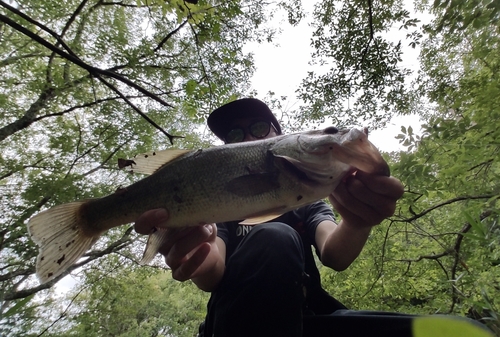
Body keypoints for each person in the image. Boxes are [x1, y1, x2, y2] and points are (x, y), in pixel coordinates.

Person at [134, 98, 492, 337]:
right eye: (234, 135)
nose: (246, 137)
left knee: (461, 331)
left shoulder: (307, 199)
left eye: (258, 128)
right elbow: (212, 272)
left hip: (311, 320)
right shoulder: (220, 210)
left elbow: (335, 254)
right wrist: (188, 252)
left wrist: (358, 219)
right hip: (235, 322)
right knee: (273, 238)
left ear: (278, 134)